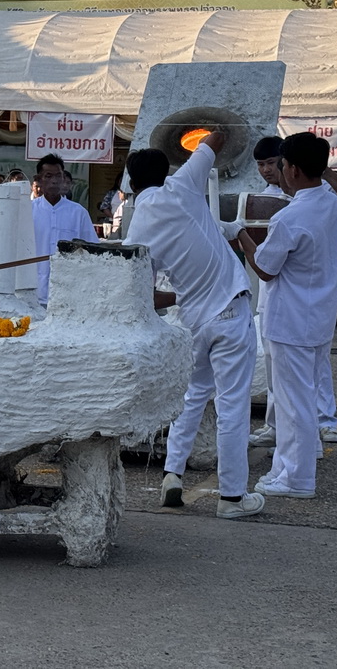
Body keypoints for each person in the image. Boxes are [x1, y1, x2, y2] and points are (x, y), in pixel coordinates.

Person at [123, 132, 264, 520]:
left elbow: (145, 296)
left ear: (132, 185)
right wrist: (185, 144)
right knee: (233, 407)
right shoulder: (183, 183)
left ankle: (172, 475)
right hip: (231, 313)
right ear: (166, 171)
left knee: (191, 399)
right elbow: (218, 137)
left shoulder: (137, 232)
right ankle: (233, 498)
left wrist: (181, 297)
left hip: (192, 321)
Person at [240, 132, 337, 499]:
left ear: (294, 169)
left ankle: (296, 477)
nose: (280, 171)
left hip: (290, 318)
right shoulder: (334, 206)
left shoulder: (291, 216)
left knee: (293, 403)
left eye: (282, 164)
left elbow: (267, 268)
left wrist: (241, 234)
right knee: (300, 398)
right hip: (318, 314)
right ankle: (289, 468)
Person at [32, 154, 98, 306]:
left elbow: (92, 249)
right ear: (39, 179)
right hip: (34, 291)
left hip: (69, 293)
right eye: (48, 176)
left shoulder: (78, 212)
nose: (54, 181)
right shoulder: (28, 211)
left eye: (58, 176)